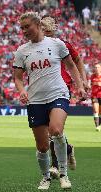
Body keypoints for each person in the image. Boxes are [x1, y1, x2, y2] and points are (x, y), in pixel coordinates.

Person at [13, 12, 86, 190]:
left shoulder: (57, 44)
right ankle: (45, 177)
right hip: (35, 100)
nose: (23, 31)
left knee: (56, 130)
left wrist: (80, 86)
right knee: (43, 145)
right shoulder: (22, 51)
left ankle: (63, 175)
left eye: (26, 26)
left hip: (58, 94)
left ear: (37, 25)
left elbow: (71, 65)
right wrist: (22, 91)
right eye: (21, 28)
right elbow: (18, 77)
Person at [41, 15, 88, 178]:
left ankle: (55, 166)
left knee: (52, 129)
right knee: (52, 129)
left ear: (54, 27)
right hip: (43, 90)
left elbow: (77, 62)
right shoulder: (34, 46)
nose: (46, 28)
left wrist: (83, 81)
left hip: (62, 87)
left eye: (49, 25)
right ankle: (67, 149)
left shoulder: (63, 45)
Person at [90, 63, 101, 131]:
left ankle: (99, 125)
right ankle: (97, 126)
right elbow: (90, 84)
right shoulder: (92, 76)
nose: (96, 68)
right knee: (96, 110)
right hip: (94, 96)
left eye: (98, 67)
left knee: (100, 112)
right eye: (95, 67)